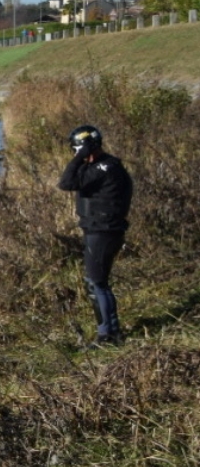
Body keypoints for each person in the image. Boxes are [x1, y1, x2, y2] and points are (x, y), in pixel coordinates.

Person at [58, 124, 133, 345]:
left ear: (86, 148)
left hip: (104, 231)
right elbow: (74, 180)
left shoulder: (106, 167)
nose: (75, 155)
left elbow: (67, 183)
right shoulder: (102, 166)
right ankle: (108, 332)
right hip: (98, 230)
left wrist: (80, 156)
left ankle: (108, 335)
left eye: (76, 150)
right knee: (95, 281)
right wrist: (83, 157)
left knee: (98, 282)